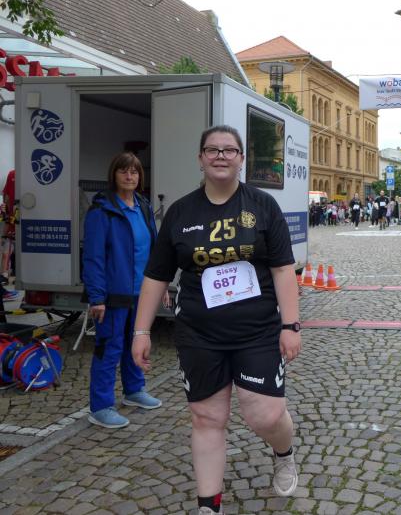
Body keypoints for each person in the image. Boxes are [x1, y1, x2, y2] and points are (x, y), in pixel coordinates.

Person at [132, 125, 302, 513]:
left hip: (257, 331)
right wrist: (142, 330)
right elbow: (156, 276)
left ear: (241, 159)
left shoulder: (263, 206)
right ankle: (209, 506)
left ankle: (284, 452)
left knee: (265, 415)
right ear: (200, 158)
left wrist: (290, 326)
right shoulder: (181, 213)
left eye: (229, 150)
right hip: (199, 333)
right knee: (207, 417)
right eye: (212, 150)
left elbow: (282, 269)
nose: (221, 156)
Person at [82, 152, 162, 429]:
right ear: (113, 175)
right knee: (109, 349)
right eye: (123, 171)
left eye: (135, 172)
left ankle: (134, 390)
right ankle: (101, 407)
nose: (129, 176)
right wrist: (97, 297)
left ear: (140, 176)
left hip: (142, 293)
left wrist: (161, 284)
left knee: (135, 343)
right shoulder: (102, 210)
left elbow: (154, 250)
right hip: (113, 296)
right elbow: (93, 257)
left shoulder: (143, 206)